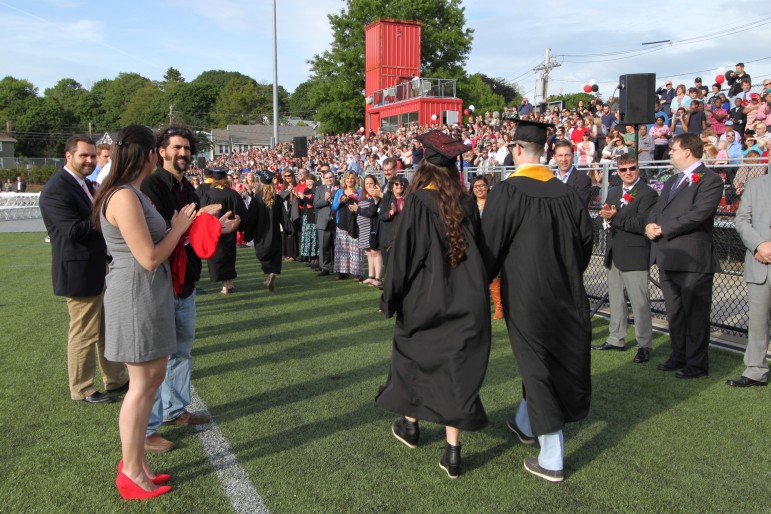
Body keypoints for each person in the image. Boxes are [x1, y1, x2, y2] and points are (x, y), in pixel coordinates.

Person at [479, 119, 594, 483]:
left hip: (526, 294)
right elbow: (586, 242)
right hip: (567, 292)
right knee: (549, 360)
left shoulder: (506, 192)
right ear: (544, 153)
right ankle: (525, 422)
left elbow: (489, 249)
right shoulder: (566, 193)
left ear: (516, 150)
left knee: (537, 366)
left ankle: (552, 457)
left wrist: (476, 281)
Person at [376, 130, 491, 480]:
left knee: (413, 359)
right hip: (467, 297)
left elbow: (405, 257)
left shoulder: (417, 202)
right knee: (455, 371)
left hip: (426, 298)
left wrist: (390, 296)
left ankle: (411, 427)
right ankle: (452, 453)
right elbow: (483, 252)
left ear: (424, 165)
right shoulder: (467, 201)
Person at [94, 125, 197, 500]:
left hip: (147, 294)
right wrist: (179, 226)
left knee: (150, 379)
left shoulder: (132, 193)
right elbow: (150, 257)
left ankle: (138, 465)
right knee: (140, 388)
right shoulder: (123, 196)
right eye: (155, 149)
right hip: (137, 293)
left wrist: (179, 228)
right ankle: (131, 470)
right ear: (148, 154)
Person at [140, 126, 235, 452]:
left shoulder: (188, 188)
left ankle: (176, 410)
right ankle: (148, 429)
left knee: (182, 352)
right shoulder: (151, 186)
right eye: (176, 148)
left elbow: (192, 234)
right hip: (161, 282)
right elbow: (159, 233)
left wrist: (216, 227)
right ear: (162, 150)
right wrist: (197, 219)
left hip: (186, 281)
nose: (183, 154)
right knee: (154, 363)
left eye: (187, 149)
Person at [39, 135, 128, 405]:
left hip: (97, 267)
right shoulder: (57, 189)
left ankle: (115, 377)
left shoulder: (83, 184)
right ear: (69, 156)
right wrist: (105, 212)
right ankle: (82, 388)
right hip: (79, 271)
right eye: (84, 156)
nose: (90, 161)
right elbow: (72, 231)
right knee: (84, 332)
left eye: (92, 156)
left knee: (105, 328)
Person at [645, 133, 723, 378]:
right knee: (675, 312)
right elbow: (657, 209)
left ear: (687, 151)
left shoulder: (710, 180)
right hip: (667, 256)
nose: (670, 153)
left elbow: (699, 214)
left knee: (695, 315)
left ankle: (697, 364)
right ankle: (678, 355)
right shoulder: (672, 181)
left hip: (693, 259)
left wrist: (665, 228)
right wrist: (650, 225)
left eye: (674, 149)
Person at [593, 154, 657, 363]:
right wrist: (605, 218)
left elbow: (642, 224)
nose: (628, 172)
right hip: (614, 252)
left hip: (635, 253)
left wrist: (615, 217)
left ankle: (644, 344)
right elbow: (606, 217)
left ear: (638, 169)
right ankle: (616, 337)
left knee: (639, 303)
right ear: (617, 171)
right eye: (623, 169)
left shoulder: (648, 194)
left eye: (632, 168)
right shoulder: (613, 192)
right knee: (616, 300)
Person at [731, 174, 771, 387]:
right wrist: (759, 245)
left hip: (764, 257)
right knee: (757, 322)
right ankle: (756, 370)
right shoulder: (755, 185)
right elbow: (742, 219)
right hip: (759, 264)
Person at [198, 167, 246, 295]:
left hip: (213, 230)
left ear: (213, 179)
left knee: (217, 256)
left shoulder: (208, 194)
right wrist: (238, 224)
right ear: (225, 179)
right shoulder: (233, 194)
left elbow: (202, 212)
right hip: (229, 229)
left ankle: (224, 286)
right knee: (229, 255)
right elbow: (241, 212)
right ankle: (228, 283)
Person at [242, 171, 284, 290]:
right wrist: (288, 229)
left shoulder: (257, 199)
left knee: (263, 255)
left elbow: (251, 218)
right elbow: (284, 217)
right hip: (275, 232)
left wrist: (248, 232)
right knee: (275, 254)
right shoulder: (278, 198)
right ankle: (271, 275)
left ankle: (269, 275)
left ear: (260, 182)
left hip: (260, 233)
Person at [332, 171, 364, 280]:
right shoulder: (340, 192)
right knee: (342, 248)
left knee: (355, 248)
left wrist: (356, 204)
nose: (349, 180)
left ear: (355, 180)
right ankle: (342, 272)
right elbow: (333, 208)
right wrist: (340, 201)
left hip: (355, 222)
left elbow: (363, 206)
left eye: (352, 178)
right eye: (348, 178)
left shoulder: (359, 191)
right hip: (342, 222)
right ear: (344, 180)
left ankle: (358, 272)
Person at [357, 174, 383, 287]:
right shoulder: (363, 196)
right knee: (368, 252)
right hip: (364, 229)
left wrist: (357, 210)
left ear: (375, 183)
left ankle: (378, 278)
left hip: (374, 227)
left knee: (375, 252)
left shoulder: (377, 196)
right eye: (366, 184)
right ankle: (371, 276)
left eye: (370, 183)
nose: (368, 186)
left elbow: (371, 212)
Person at [553, 140, 592, 207]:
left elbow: (579, 207)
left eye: (567, 155)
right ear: (555, 157)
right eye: (560, 155)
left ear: (573, 156)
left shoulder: (583, 180)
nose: (563, 159)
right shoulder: (548, 179)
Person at [313, 167, 337, 277]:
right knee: (324, 246)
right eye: (327, 178)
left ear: (334, 178)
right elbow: (316, 204)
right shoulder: (319, 189)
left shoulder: (339, 188)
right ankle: (325, 268)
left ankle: (336, 267)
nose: (329, 179)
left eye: (331, 177)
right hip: (323, 221)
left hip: (337, 221)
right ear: (324, 179)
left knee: (337, 246)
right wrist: (325, 200)